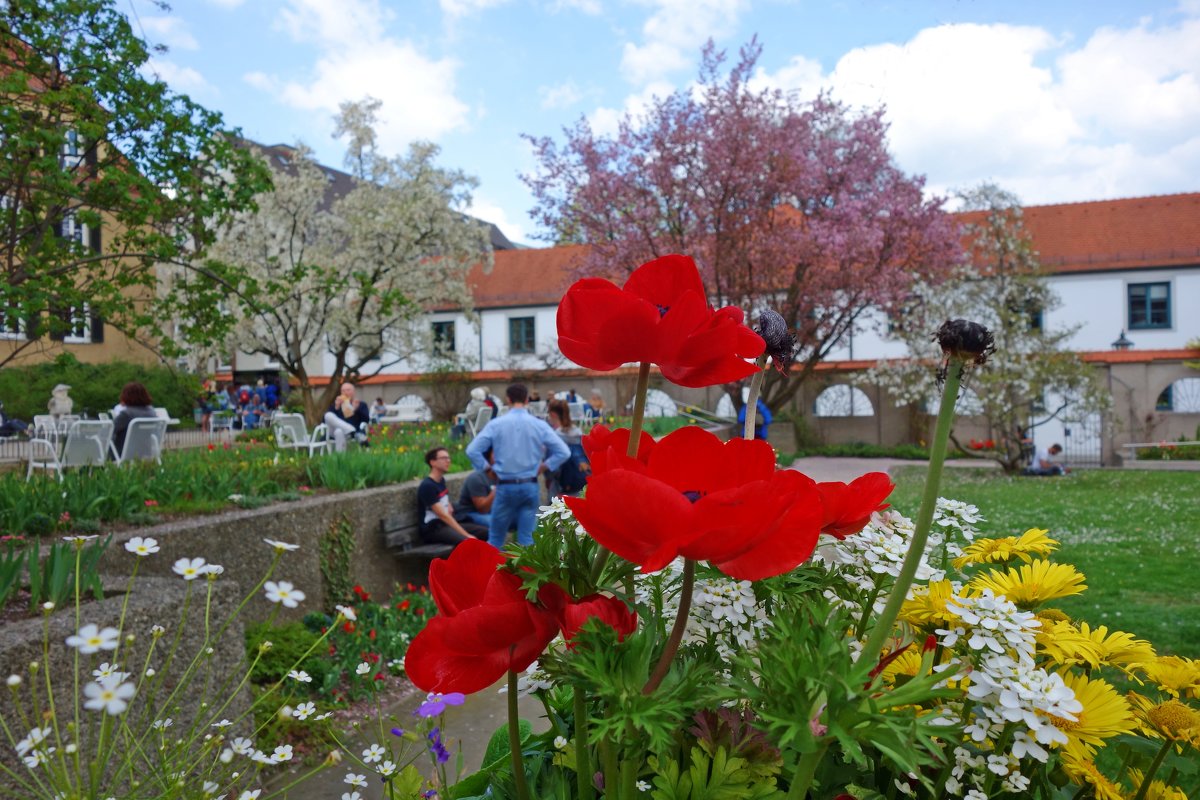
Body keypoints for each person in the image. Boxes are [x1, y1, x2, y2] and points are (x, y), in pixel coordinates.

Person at [466, 383, 569, 549]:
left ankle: (490, 573)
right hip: (530, 484)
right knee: (527, 540)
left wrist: (487, 469)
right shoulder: (539, 424)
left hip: (505, 486)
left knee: (496, 539)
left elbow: (472, 450)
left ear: (508, 400)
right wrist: (544, 466)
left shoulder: (496, 424)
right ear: (527, 399)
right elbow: (563, 452)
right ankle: (525, 574)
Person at [417, 446, 489, 547]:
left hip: (445, 524)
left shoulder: (440, 481)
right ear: (432, 462)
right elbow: (443, 515)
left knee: (487, 532)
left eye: (449, 458)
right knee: (468, 542)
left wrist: (449, 505)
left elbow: (442, 500)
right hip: (433, 528)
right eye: (444, 458)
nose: (448, 461)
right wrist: (467, 535)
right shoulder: (427, 486)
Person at [547, 399, 590, 498]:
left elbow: (552, 468)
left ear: (553, 414)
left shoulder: (555, 436)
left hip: (561, 487)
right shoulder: (578, 432)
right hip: (581, 482)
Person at [112, 382, 157, 457]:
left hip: (124, 452)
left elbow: (110, 430)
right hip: (146, 452)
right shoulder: (151, 411)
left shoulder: (126, 414)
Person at [324, 381, 370, 452]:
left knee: (339, 431)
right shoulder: (336, 404)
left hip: (343, 432)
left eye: (348, 390)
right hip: (333, 432)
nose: (345, 392)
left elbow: (366, 420)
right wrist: (336, 408)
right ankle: (352, 432)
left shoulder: (361, 404)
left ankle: (340, 457)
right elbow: (324, 421)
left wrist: (355, 409)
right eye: (343, 390)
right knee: (328, 415)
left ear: (353, 392)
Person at [458, 447, 496, 528]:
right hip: (472, 513)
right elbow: (483, 509)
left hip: (495, 511)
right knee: (495, 522)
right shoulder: (477, 478)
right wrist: (499, 488)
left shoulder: (509, 476)